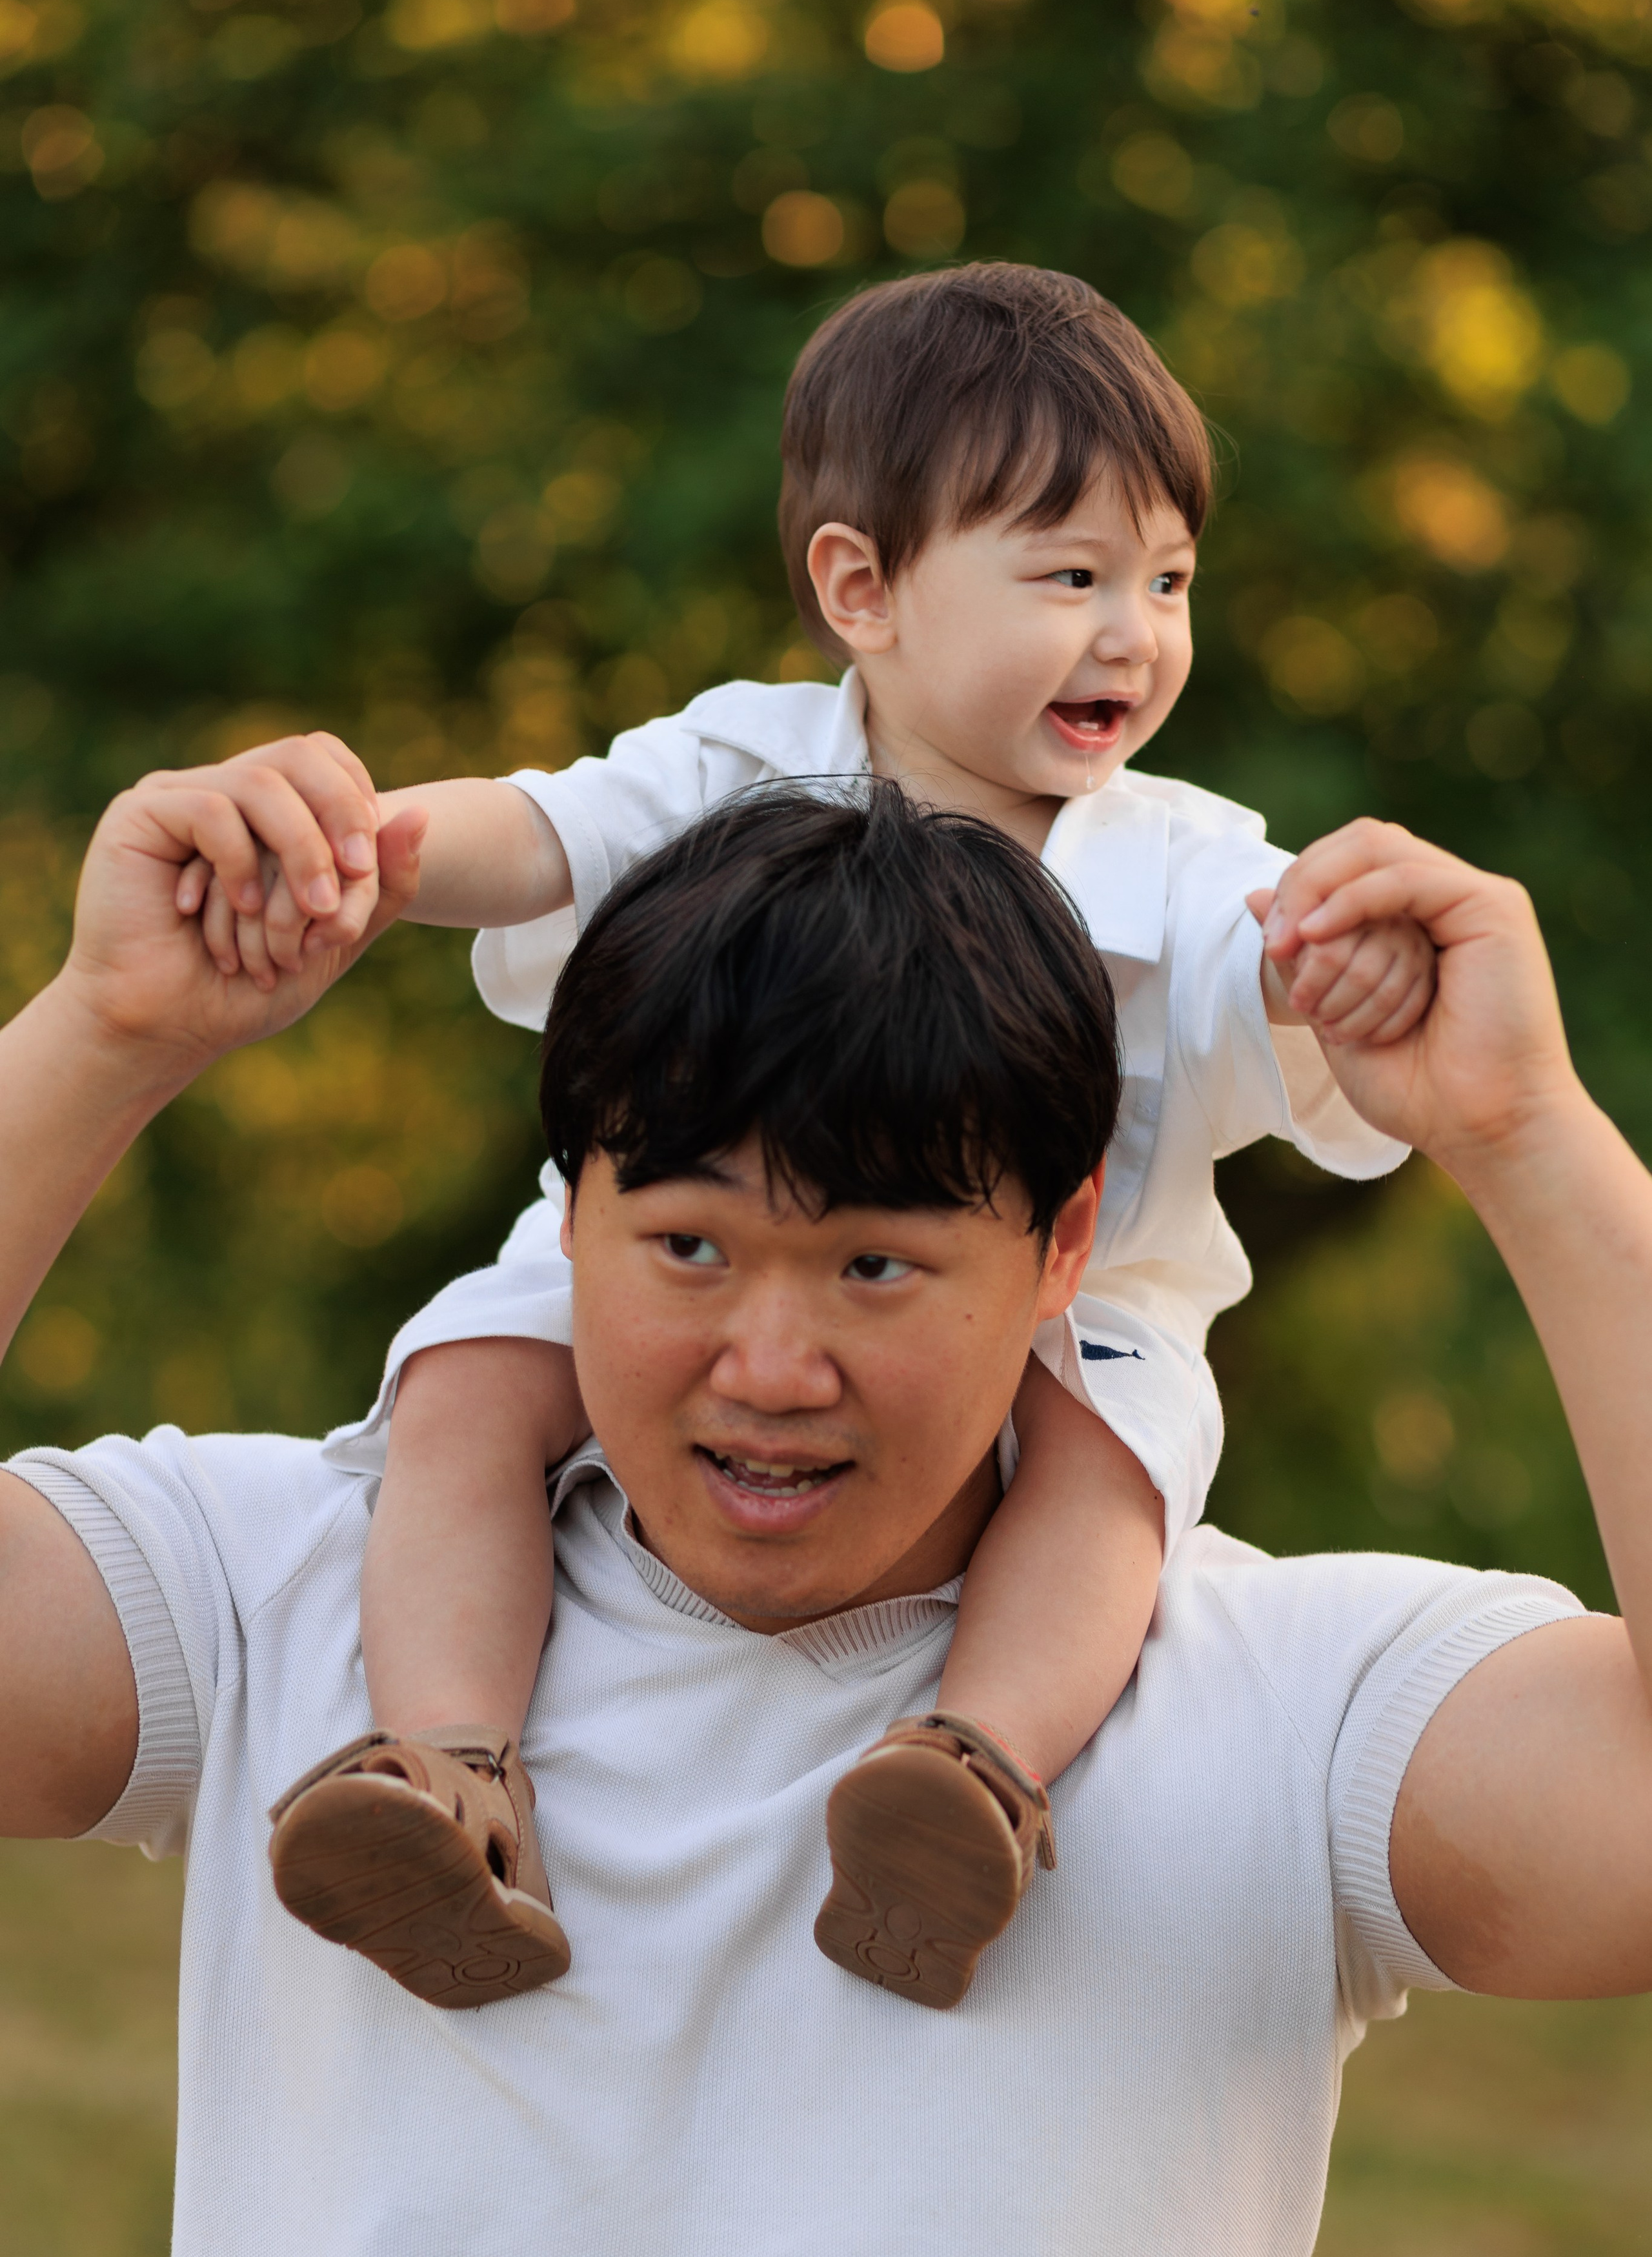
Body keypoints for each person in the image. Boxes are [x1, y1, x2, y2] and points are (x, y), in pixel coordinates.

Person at [3, 757, 1649, 2257]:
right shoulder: (272, 1588)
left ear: (1064, 1246)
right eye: (689, 1246)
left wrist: (1530, 1143)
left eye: (874, 1265)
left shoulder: (1290, 1710)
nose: (771, 1368)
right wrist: (102, 1033)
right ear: (569, 1215)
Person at [190, 263, 1436, 2008]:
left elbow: (1269, 963)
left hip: (1066, 1311)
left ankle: (963, 1781)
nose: (1133, 635)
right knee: (466, 1384)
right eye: (1070, 577)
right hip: (686, 1253)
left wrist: (1341, 963)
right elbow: (545, 834)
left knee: (1109, 1468)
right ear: (861, 589)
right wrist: (360, 849)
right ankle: (449, 1777)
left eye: (1166, 582)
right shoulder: (741, 765)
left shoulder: (1181, 859)